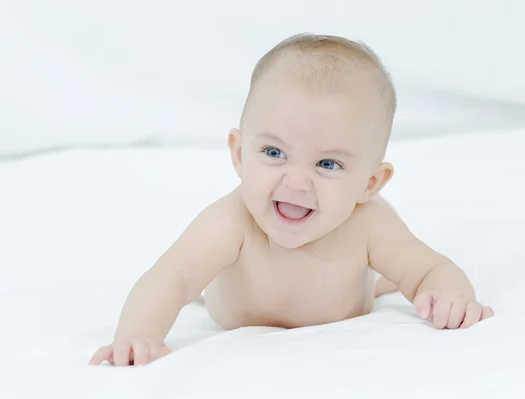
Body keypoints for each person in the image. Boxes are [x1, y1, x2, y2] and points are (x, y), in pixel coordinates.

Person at [89, 33, 493, 367]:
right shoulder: (230, 223)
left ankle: (377, 275)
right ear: (239, 154)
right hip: (225, 295)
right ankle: (212, 283)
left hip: (361, 261)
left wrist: (450, 296)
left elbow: (432, 269)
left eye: (328, 163)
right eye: (274, 153)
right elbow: (170, 277)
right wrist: (138, 335)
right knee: (194, 273)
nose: (296, 182)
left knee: (393, 269)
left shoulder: (367, 223)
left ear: (370, 183)